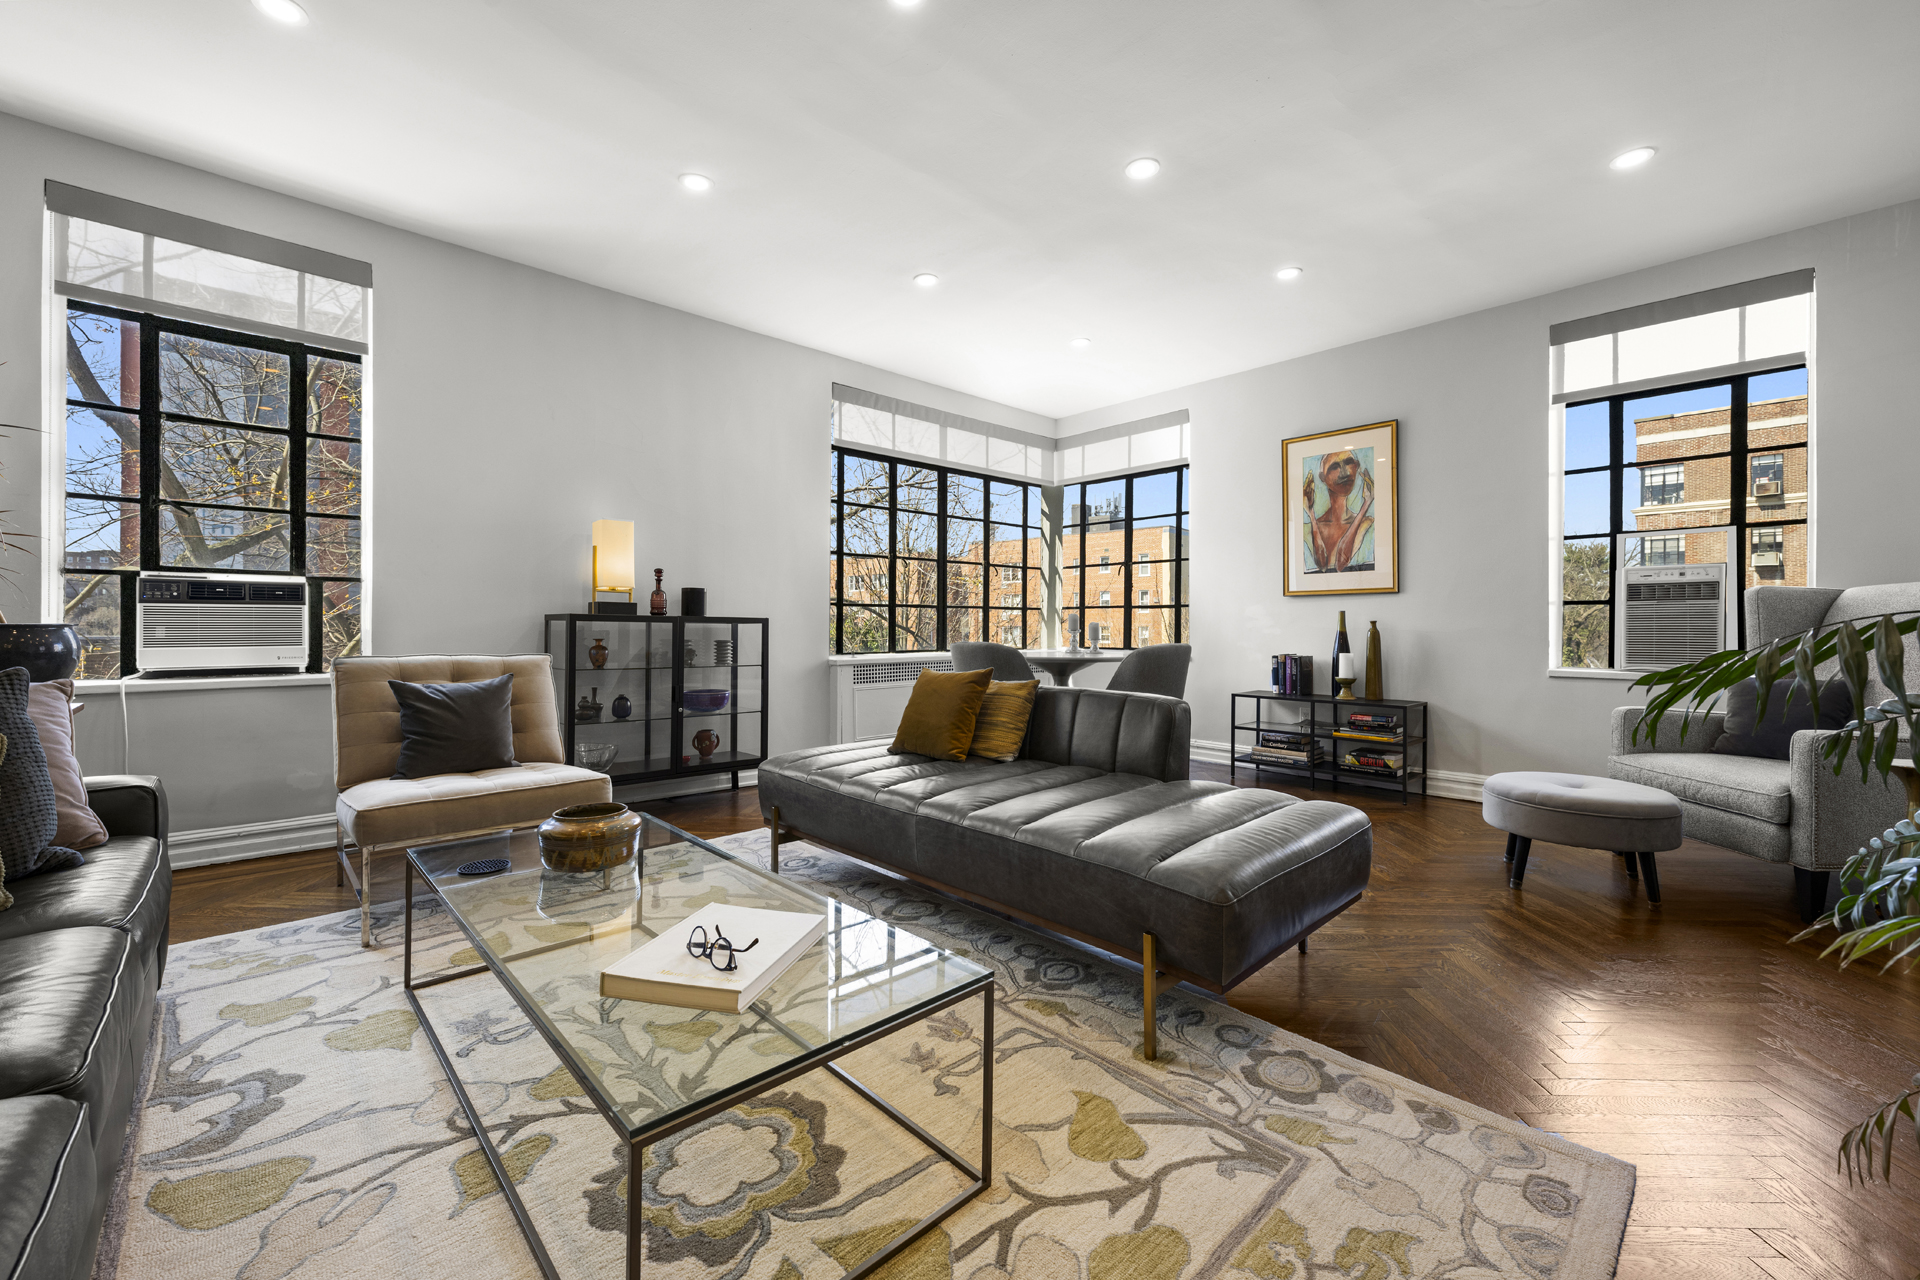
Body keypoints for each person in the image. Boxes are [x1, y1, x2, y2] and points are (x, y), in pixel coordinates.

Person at [1304, 449, 1375, 572]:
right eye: (1334, 467)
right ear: (1323, 477)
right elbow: (1323, 565)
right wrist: (1311, 513)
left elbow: (1341, 563)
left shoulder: (1369, 524)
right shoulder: (1306, 530)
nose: (1345, 472)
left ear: (1356, 466)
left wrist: (1367, 503)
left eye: (1349, 462)